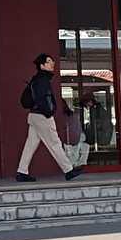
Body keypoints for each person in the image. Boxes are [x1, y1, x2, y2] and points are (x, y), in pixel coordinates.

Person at [15, 53, 85, 183]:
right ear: (42, 66)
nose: (52, 63)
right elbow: (44, 99)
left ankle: (22, 171)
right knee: (54, 143)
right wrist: (49, 112)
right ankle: (68, 170)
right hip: (42, 116)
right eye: (48, 61)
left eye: (52, 60)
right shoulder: (42, 80)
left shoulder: (36, 79)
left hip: (34, 116)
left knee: (30, 144)